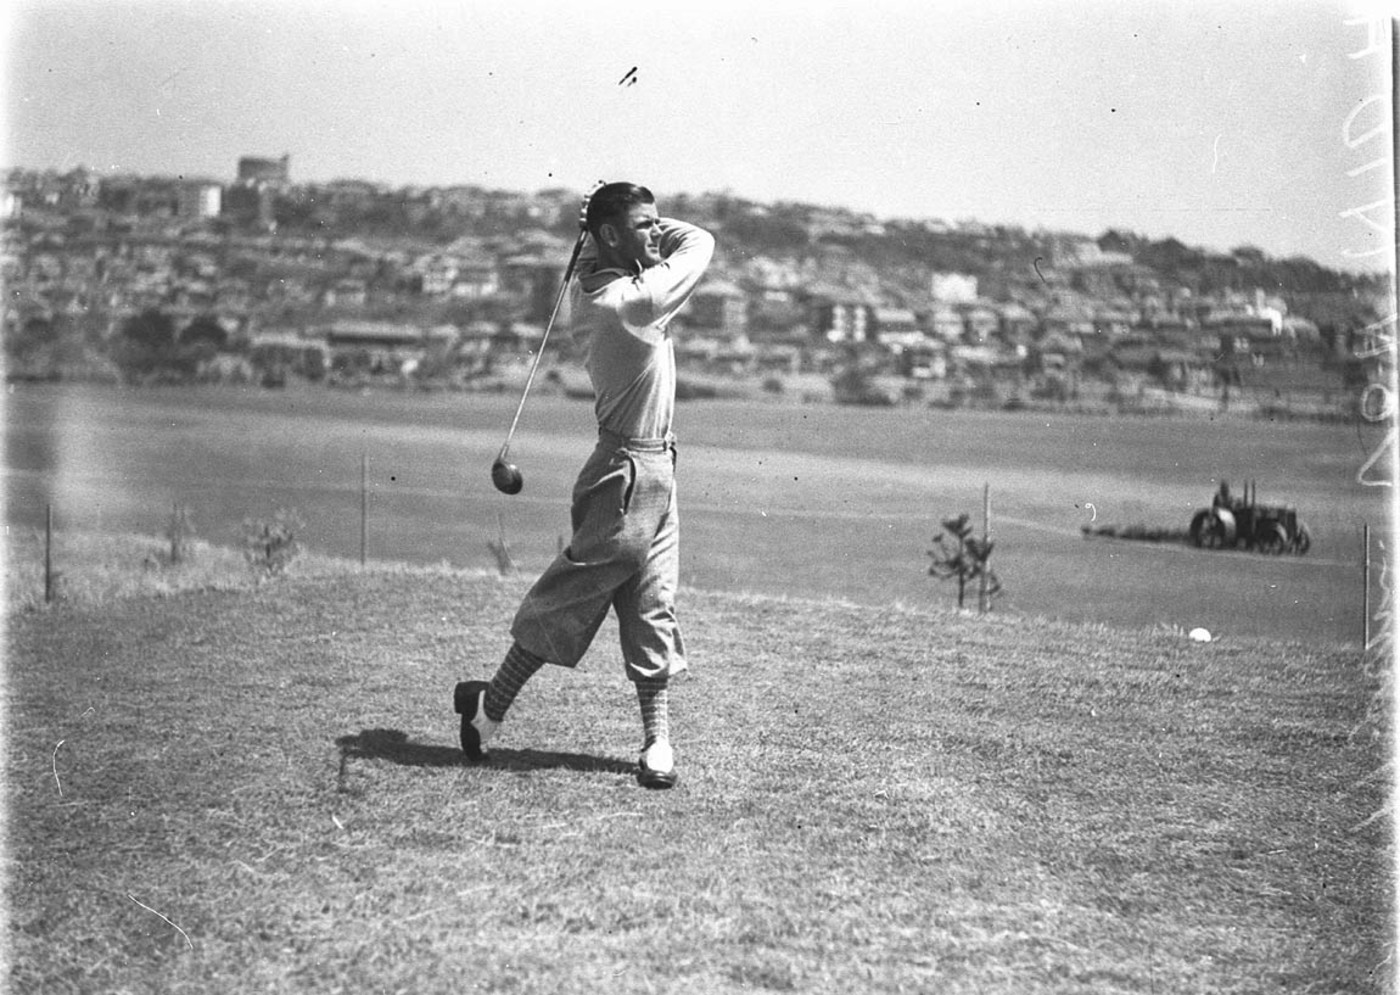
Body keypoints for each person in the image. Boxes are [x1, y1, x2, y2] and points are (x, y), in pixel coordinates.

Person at [454, 182, 715, 789]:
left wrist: (614, 229)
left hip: (655, 468)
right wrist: (627, 230)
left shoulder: (597, 279)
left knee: (653, 602)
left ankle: (657, 740)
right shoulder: (630, 299)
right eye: (644, 225)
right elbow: (699, 242)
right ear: (611, 238)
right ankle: (488, 711)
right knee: (573, 599)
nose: (656, 234)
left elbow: (623, 248)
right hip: (625, 472)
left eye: (655, 224)